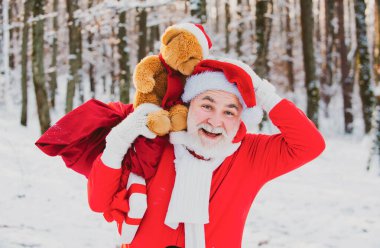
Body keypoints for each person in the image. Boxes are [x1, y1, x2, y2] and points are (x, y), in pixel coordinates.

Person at [87, 58, 326, 248]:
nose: (215, 121)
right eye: (207, 106)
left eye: (229, 112)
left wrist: (263, 93)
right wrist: (118, 142)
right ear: (189, 105)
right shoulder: (157, 141)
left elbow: (310, 144)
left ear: (240, 118)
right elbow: (99, 202)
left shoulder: (251, 154)